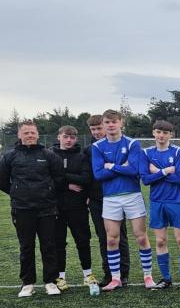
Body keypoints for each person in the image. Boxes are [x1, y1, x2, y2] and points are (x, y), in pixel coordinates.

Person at [91, 109, 154, 291]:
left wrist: (110, 166)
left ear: (121, 123)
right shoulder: (97, 147)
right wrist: (121, 166)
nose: (110, 125)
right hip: (110, 198)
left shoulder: (133, 143)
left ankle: (148, 276)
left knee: (141, 237)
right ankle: (116, 278)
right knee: (111, 240)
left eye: (114, 122)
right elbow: (98, 174)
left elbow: (134, 170)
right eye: (107, 122)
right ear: (103, 125)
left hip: (132, 195)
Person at [0, 120, 64, 297]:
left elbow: (59, 179)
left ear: (37, 134)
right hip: (22, 209)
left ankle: (50, 282)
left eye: (32, 133)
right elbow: (3, 181)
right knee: (26, 247)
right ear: (19, 135)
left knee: (49, 246)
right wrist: (17, 192)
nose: (29, 136)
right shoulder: (9, 156)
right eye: (26, 133)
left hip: (47, 209)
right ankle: (27, 284)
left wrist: (47, 192)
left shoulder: (49, 155)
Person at [140, 120, 180, 290]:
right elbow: (145, 180)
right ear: (153, 133)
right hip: (156, 202)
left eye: (165, 133)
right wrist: (164, 171)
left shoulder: (179, 152)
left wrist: (156, 171)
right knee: (160, 241)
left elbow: (178, 179)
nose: (161, 135)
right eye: (158, 132)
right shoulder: (146, 152)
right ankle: (166, 279)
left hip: (176, 201)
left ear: (171, 135)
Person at [85, 114, 130, 288]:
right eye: (93, 129)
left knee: (120, 237)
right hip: (97, 200)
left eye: (99, 128)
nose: (97, 132)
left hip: (118, 196)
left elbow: (128, 169)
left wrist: (112, 169)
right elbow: (91, 176)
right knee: (104, 238)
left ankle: (123, 274)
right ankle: (109, 273)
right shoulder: (90, 150)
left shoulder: (121, 145)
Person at [52, 125, 95, 290]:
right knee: (58, 243)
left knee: (83, 241)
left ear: (76, 138)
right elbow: (48, 178)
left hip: (78, 206)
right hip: (55, 207)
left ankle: (88, 274)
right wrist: (68, 184)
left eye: (72, 137)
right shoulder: (50, 155)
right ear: (59, 137)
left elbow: (85, 179)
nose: (69, 140)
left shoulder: (82, 156)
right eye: (65, 136)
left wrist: (61, 177)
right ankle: (60, 277)